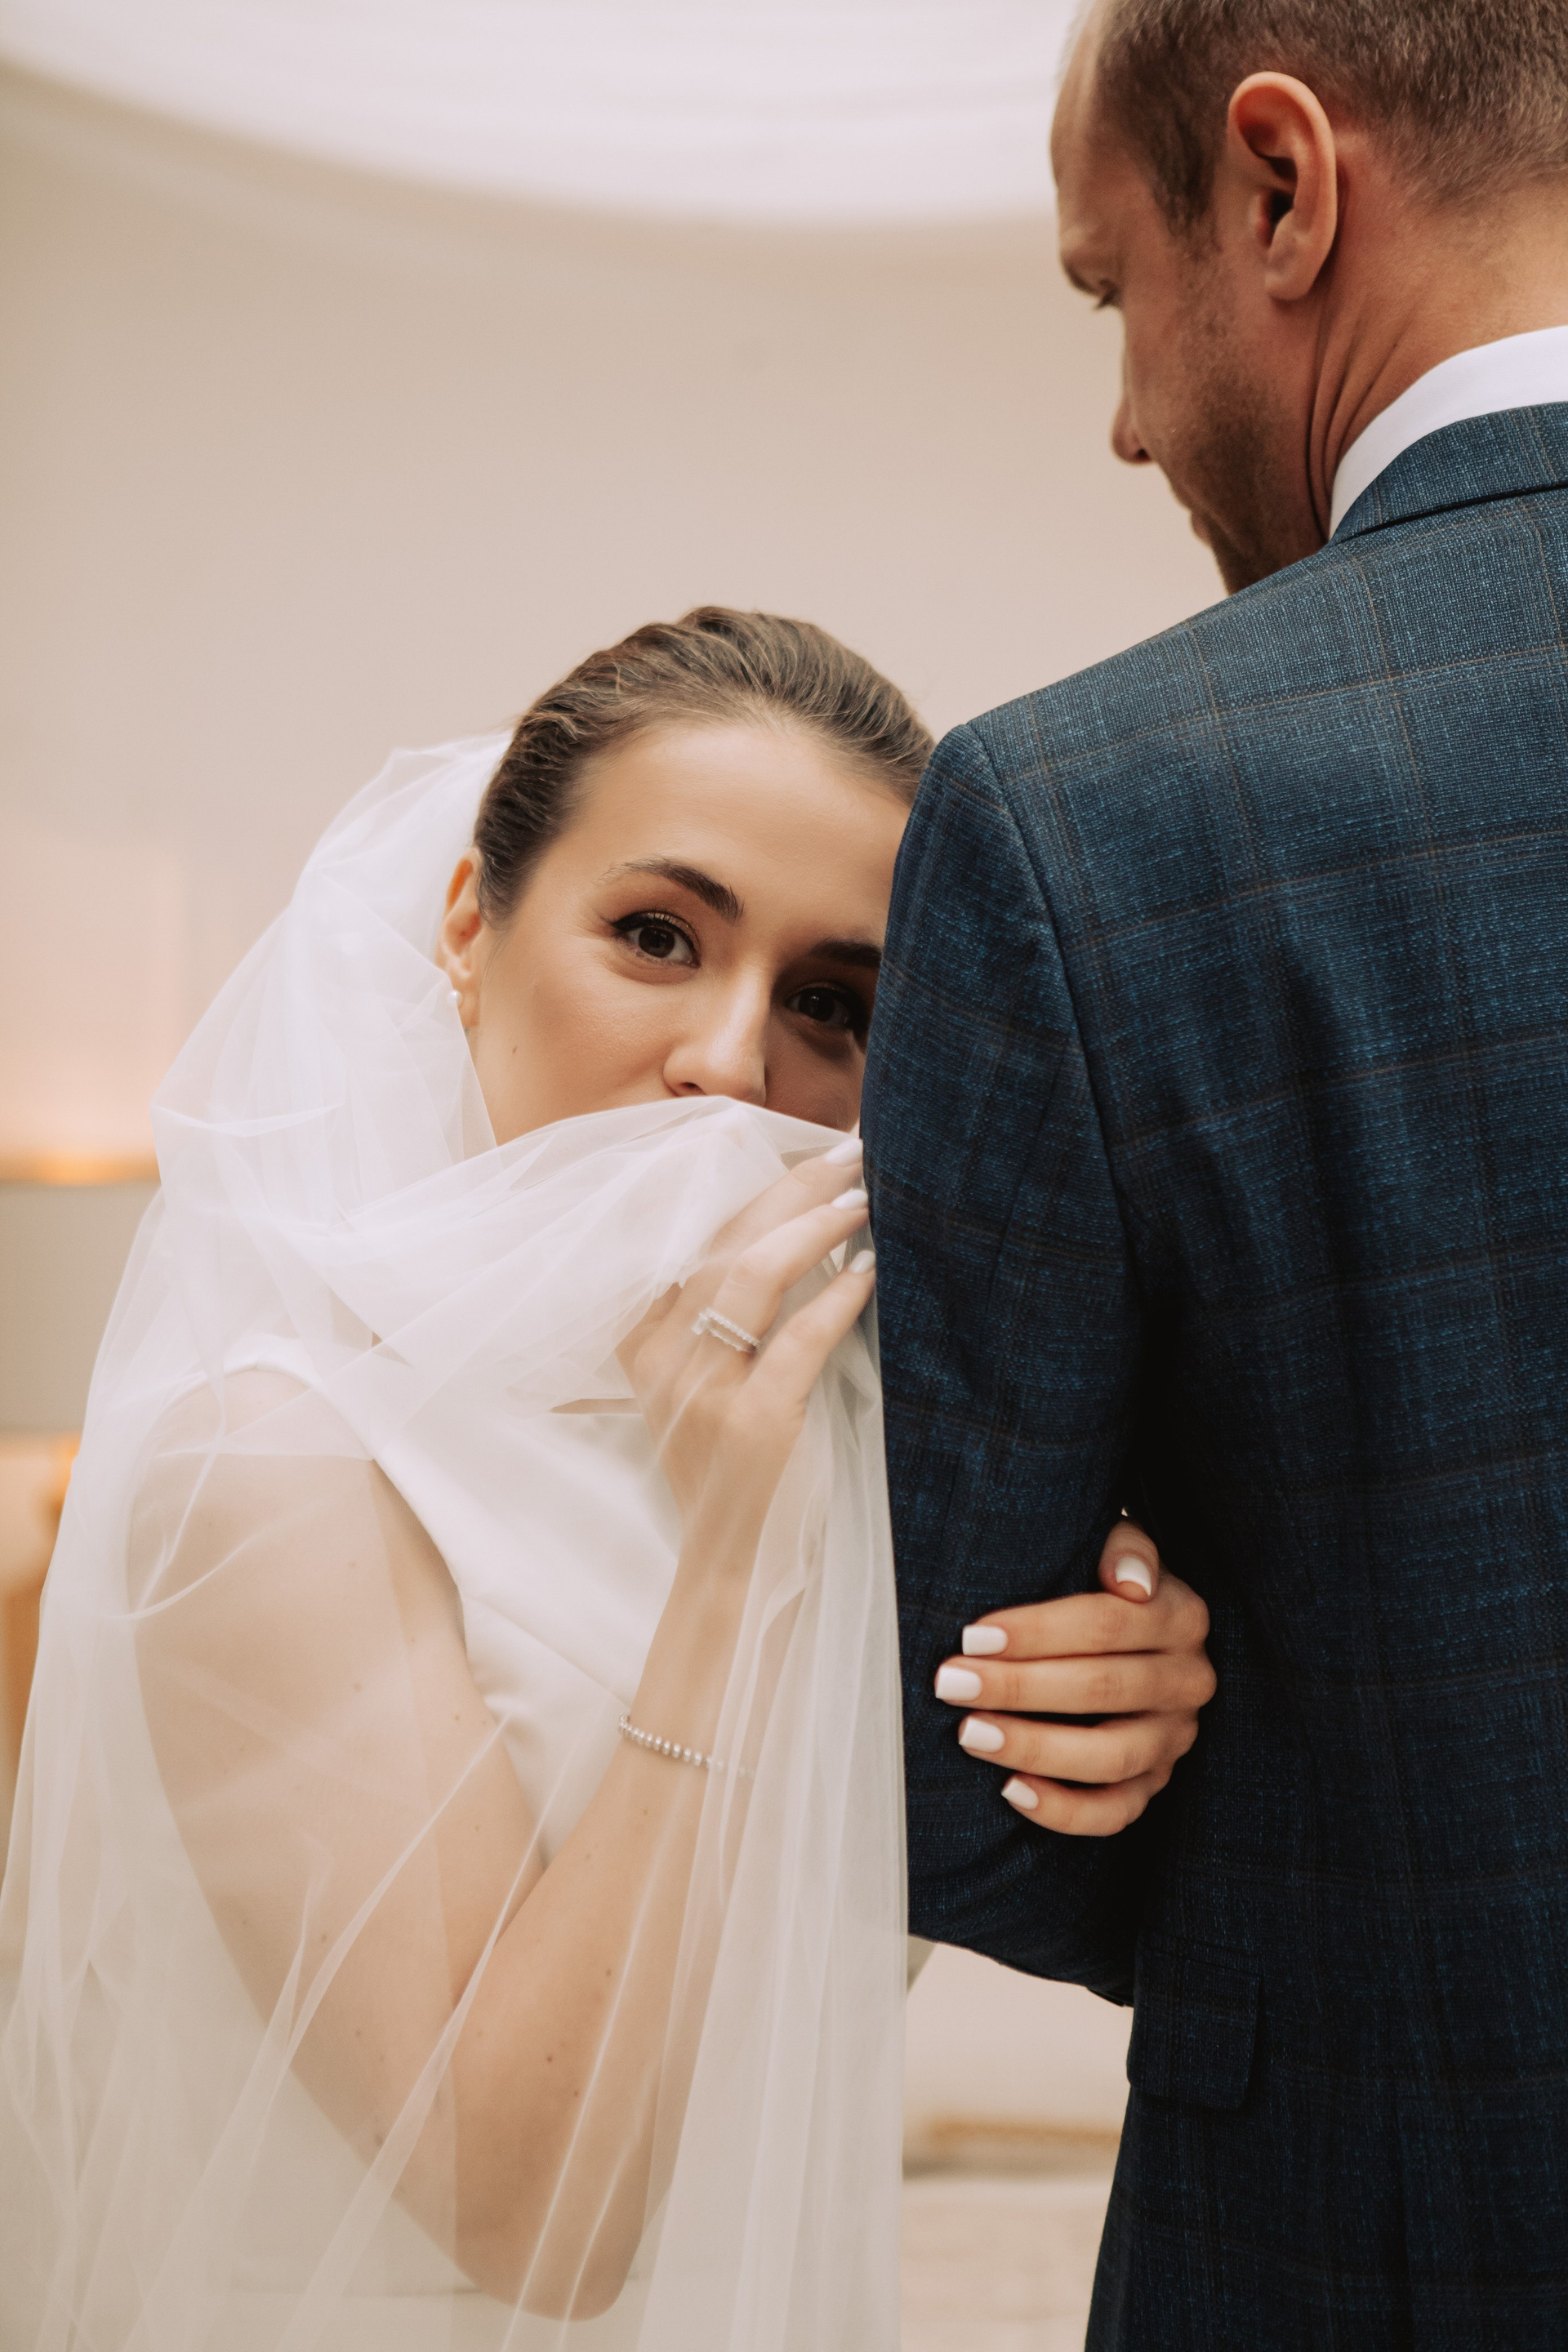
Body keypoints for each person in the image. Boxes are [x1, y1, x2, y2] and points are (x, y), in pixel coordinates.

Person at [0, 608, 1213, 2352]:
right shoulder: (267, 1463)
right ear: (469, 930)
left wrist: (1123, 1702)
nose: (732, 1062)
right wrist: (735, 1566)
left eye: (832, 1004)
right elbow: (531, 2215)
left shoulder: (870, 1443)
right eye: (657, 936)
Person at [862, 2, 1568, 2344]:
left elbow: (973, 1774)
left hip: (1372, 2234)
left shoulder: (1084, 824)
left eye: (1112, 291)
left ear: (1281, 187)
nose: (1129, 417)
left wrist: (1186, 1696)